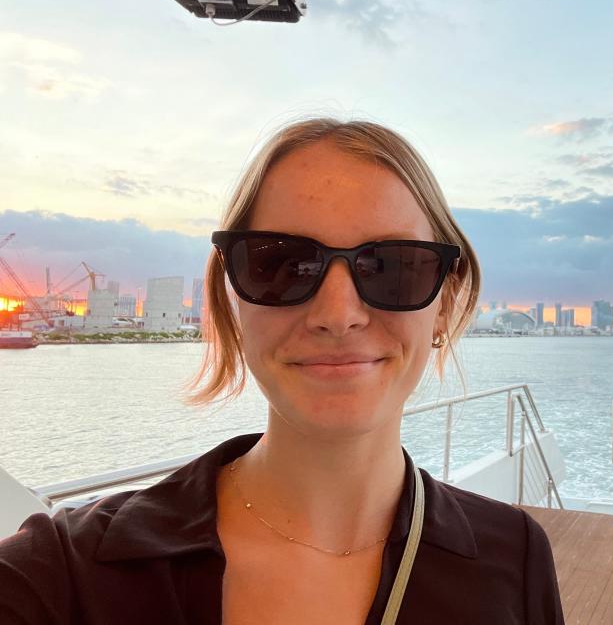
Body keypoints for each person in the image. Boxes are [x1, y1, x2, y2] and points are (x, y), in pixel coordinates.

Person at [0, 118, 565, 624]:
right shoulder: (60, 574)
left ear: (444, 301)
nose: (338, 315)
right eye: (281, 264)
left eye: (394, 267)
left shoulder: (514, 558)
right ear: (232, 298)